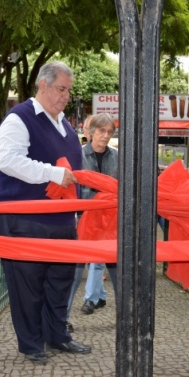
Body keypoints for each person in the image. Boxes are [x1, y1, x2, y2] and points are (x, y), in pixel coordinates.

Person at [0, 61, 90, 364]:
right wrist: (52, 173)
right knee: (28, 286)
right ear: (43, 85)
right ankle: (32, 344)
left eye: (68, 91)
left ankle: (57, 335)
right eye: (61, 89)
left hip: (62, 219)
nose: (65, 96)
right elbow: (8, 160)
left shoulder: (65, 125)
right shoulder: (18, 118)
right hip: (26, 219)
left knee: (60, 282)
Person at [67, 113, 118, 328]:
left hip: (111, 223)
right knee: (75, 272)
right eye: (101, 131)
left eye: (109, 132)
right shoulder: (76, 156)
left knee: (118, 271)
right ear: (89, 133)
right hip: (84, 221)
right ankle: (62, 319)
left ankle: (127, 317)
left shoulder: (118, 157)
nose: (105, 136)